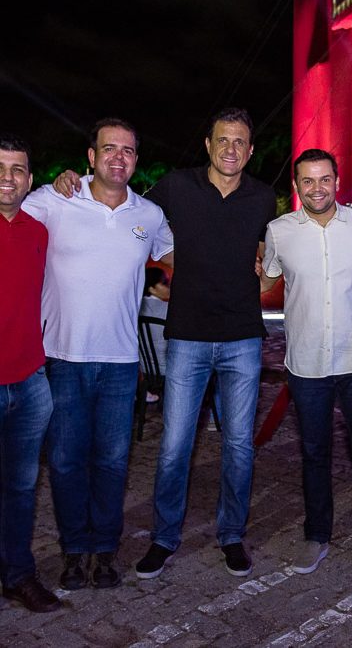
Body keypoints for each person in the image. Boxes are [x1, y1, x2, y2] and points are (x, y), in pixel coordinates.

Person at [55, 108, 275, 580]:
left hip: (242, 339)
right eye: (222, 140)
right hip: (187, 337)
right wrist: (74, 180)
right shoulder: (176, 187)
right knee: (175, 445)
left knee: (239, 445)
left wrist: (264, 271)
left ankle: (231, 534)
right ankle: (164, 537)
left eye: (240, 141)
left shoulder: (262, 198)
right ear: (208, 145)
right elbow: (126, 208)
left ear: (250, 150)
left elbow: (268, 256)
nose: (231, 149)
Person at [23, 118, 174, 591]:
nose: (118, 157)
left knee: (112, 461)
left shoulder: (149, 215)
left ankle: (105, 548)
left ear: (136, 159)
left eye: (127, 150)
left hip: (121, 362)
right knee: (66, 460)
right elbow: (9, 211)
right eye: (109, 148)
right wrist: (54, 179)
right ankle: (74, 549)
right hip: (62, 357)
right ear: (91, 156)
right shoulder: (54, 200)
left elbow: (182, 257)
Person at [260, 149, 352, 575]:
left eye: (324, 179)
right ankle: (316, 535)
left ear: (337, 181)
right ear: (296, 185)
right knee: (314, 452)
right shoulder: (280, 231)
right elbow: (266, 280)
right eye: (307, 181)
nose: (316, 188)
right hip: (306, 363)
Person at [0, 135, 61, 613]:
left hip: (29, 383)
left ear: (30, 180)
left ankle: (17, 574)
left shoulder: (38, 231)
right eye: (0, 168)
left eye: (17, 169)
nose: (8, 178)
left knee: (20, 489)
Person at [139, 266, 170, 385]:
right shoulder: (169, 310)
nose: (169, 286)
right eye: (165, 283)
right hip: (169, 372)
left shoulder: (135, 307)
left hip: (144, 371)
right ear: (151, 289)